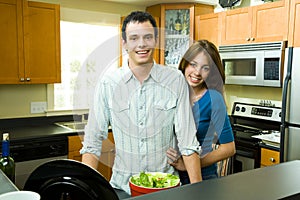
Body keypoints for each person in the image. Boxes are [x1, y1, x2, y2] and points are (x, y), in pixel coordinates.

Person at [80, 11, 202, 198]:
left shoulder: (175, 80)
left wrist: (199, 193)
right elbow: (93, 142)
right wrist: (84, 192)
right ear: (124, 43)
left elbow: (188, 142)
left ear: (155, 40)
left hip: (167, 188)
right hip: (122, 188)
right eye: (134, 38)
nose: (141, 44)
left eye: (147, 37)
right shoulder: (108, 83)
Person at [167, 40, 235, 183]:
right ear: (185, 63)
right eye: (193, 64)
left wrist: (188, 165)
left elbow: (229, 148)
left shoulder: (213, 99)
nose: (197, 73)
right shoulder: (172, 93)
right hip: (171, 176)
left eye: (205, 68)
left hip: (204, 177)